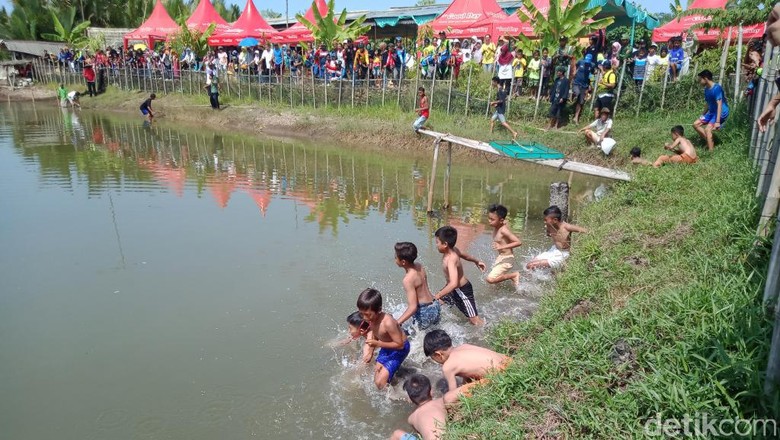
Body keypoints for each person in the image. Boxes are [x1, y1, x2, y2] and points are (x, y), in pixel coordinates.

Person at [423, 329, 510, 405]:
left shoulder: (447, 366)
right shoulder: (464, 346)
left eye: (433, 358)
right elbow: (469, 372)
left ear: (438, 354)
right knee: (469, 381)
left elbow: (452, 392)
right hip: (508, 362)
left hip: (499, 376)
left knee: (448, 398)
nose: (435, 361)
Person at [432, 226, 486, 326]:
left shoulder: (451, 259)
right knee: (436, 302)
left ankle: (488, 331)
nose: (436, 245)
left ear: (445, 244)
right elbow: (465, 255)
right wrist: (476, 261)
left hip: (462, 290)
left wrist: (438, 295)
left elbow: (454, 283)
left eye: (437, 242)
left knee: (474, 320)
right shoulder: (454, 250)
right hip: (452, 289)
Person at [357, 288, 409, 389]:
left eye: (367, 314)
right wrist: (370, 352)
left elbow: (400, 344)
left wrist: (378, 344)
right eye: (361, 314)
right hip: (386, 346)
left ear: (379, 310)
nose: (364, 318)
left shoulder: (388, 323)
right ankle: (396, 374)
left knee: (381, 383)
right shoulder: (372, 319)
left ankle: (398, 395)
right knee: (376, 380)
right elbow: (376, 334)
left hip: (399, 350)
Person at [394, 242, 440, 331]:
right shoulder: (419, 266)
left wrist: (397, 323)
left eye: (396, 257)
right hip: (435, 305)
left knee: (406, 333)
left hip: (424, 312)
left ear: (403, 262)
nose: (394, 259)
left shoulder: (408, 280)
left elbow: (413, 307)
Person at [527, 206, 587, 270]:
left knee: (531, 265)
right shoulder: (549, 226)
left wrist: (581, 243)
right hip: (554, 250)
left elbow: (586, 231)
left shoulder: (567, 227)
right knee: (530, 263)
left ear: (555, 220)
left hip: (563, 254)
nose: (544, 222)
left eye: (546, 220)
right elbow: (549, 234)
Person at [390, 374, 447, 440]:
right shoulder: (441, 402)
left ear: (410, 399)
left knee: (397, 434)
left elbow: (420, 435)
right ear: (431, 391)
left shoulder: (412, 418)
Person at [485, 204, 522, 286]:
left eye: (492, 219)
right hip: (501, 258)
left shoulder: (503, 230)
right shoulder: (498, 225)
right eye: (489, 218)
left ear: (501, 220)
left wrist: (502, 246)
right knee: (494, 285)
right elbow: (506, 221)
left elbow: (518, 242)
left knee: (490, 279)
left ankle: (514, 275)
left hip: (507, 259)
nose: (489, 221)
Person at [692, 69, 728, 151]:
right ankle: (710, 141)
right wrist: (702, 115)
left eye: (700, 80)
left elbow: (719, 105)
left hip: (721, 112)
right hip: (711, 113)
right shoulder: (706, 89)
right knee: (695, 124)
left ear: (705, 78)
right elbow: (708, 103)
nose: (699, 82)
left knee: (707, 129)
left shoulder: (717, 88)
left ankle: (711, 152)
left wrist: (717, 122)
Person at [571, 54, 594, 124]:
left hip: (584, 85)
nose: (587, 62)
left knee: (580, 102)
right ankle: (572, 96)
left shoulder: (592, 65)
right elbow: (575, 65)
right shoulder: (581, 62)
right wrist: (575, 71)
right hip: (576, 83)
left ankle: (576, 117)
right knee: (577, 93)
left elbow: (592, 74)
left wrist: (590, 84)